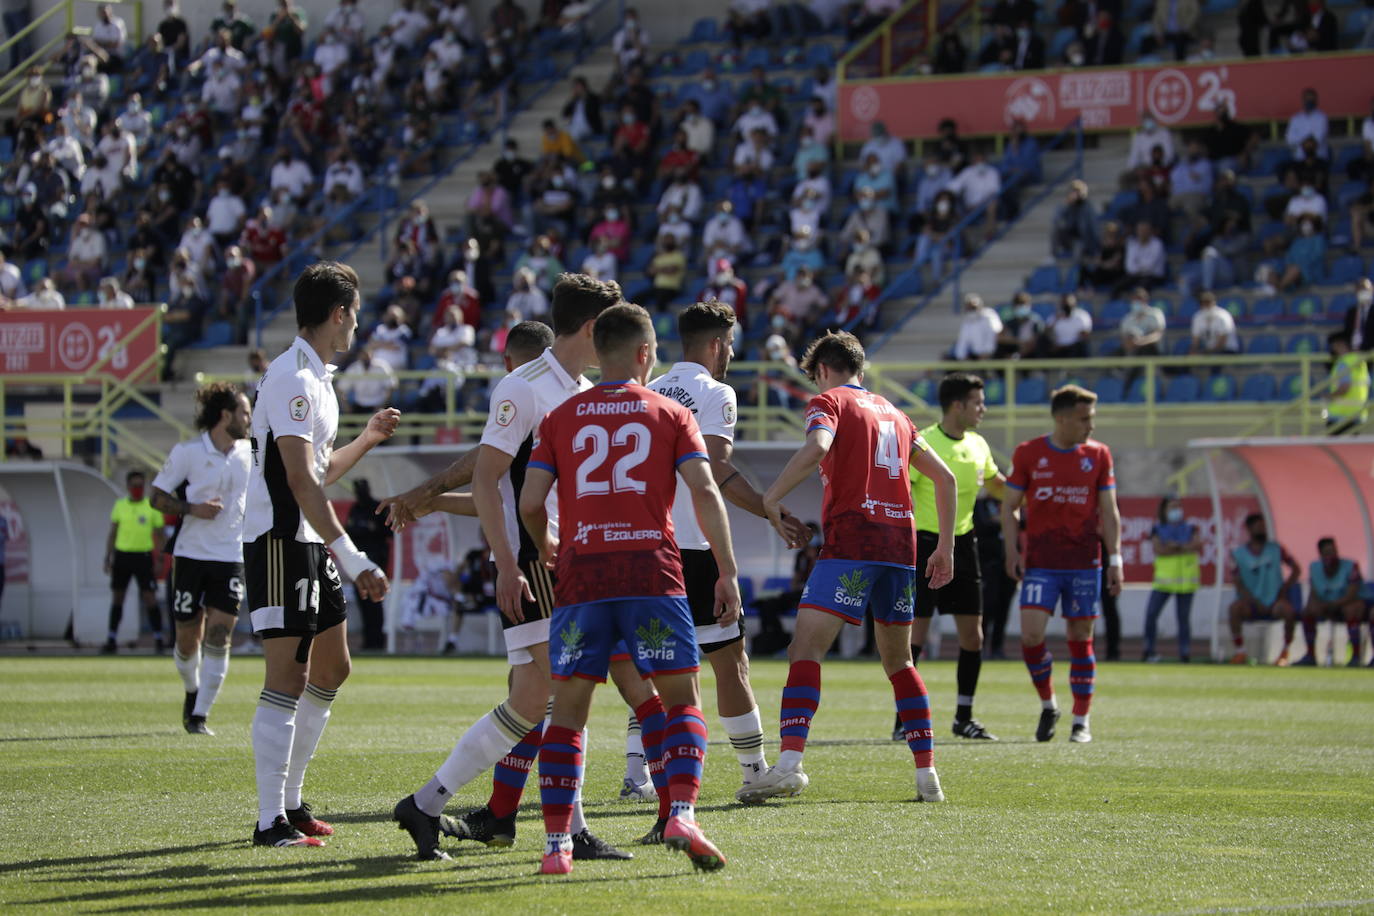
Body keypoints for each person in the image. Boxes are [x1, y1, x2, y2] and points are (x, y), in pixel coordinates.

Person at [390, 277, 640, 862]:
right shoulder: (524, 387)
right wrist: (508, 566)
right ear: (590, 330)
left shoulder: (577, 387)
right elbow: (486, 478)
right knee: (558, 694)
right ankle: (566, 831)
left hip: (563, 557)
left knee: (538, 700)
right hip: (536, 558)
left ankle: (426, 804)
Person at [519, 302, 738, 874]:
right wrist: (728, 570)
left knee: (567, 713)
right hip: (651, 572)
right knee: (682, 698)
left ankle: (556, 848)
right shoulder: (669, 414)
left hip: (583, 573)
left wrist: (547, 544)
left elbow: (529, 501)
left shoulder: (562, 417)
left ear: (599, 351)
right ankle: (682, 812)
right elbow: (705, 492)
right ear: (644, 354)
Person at [744, 331, 957, 805]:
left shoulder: (828, 402)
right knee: (899, 662)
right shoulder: (899, 416)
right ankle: (928, 777)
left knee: (805, 649)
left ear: (822, 369)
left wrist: (771, 496)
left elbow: (819, 447)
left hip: (852, 541)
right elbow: (944, 477)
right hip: (900, 547)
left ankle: (789, 765)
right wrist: (945, 546)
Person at [244, 262, 399, 848]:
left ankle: (290, 801)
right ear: (339, 314)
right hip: (282, 540)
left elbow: (316, 470)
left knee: (332, 669)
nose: (357, 325)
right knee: (289, 676)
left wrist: (366, 438)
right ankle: (269, 822)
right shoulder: (292, 378)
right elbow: (301, 484)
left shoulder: (316, 378)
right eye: (355, 314)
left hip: (308, 539)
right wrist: (354, 556)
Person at [646, 302, 811, 802]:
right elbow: (714, 468)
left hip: (647, 544)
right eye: (731, 344)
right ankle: (754, 770)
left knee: (654, 666)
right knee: (729, 661)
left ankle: (643, 776)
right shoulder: (716, 393)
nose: (732, 354)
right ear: (716, 345)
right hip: (694, 547)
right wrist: (769, 508)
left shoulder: (648, 390)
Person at [1001, 385, 1121, 744]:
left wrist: (1115, 559)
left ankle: (1081, 720)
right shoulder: (1028, 453)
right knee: (1030, 635)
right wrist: (1012, 551)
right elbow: (1009, 506)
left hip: (1085, 562)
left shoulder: (1099, 456)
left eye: (1092, 418)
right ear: (1062, 418)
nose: (1090, 426)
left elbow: (1109, 511)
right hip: (1041, 562)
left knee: (1080, 638)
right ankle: (1049, 703)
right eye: (1085, 419)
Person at [894, 373, 1006, 742]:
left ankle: (964, 717)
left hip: (964, 545)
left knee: (973, 637)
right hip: (925, 545)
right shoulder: (923, 442)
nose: (983, 409)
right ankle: (904, 718)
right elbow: (902, 491)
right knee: (918, 634)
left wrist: (1033, 491)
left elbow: (997, 486)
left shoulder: (978, 445)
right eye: (978, 402)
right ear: (958, 405)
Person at [150, 383, 252, 735]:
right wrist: (192, 508)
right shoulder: (188, 452)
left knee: (221, 633)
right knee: (186, 638)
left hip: (231, 556)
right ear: (225, 415)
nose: (249, 419)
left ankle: (199, 716)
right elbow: (156, 496)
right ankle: (192, 690)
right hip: (190, 556)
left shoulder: (251, 454)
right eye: (244, 413)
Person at [103, 471, 167, 654]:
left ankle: (158, 638)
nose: (137, 489)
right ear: (128, 487)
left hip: (144, 557)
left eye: (140, 485)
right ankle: (112, 637)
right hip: (122, 556)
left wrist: (161, 559)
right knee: (118, 597)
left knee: (150, 598)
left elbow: (160, 534)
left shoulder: (151, 507)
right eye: (134, 486)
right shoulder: (120, 506)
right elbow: (113, 532)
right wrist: (108, 556)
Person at [1227, 512, 1303, 665]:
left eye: (1263, 526)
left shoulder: (1276, 549)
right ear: (1249, 529)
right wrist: (1253, 600)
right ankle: (1240, 652)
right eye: (1258, 527)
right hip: (1251, 602)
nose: (1262, 530)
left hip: (1274, 601)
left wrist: (1284, 589)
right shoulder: (1238, 554)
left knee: (1288, 611)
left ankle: (1285, 652)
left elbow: (1296, 569)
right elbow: (1238, 583)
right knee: (1234, 609)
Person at [1142, 497, 1202, 663]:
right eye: (1172, 507)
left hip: (1186, 582)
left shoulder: (1190, 527)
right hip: (1164, 581)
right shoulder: (1158, 528)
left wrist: (1174, 546)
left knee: (1183, 619)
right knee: (1151, 615)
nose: (1176, 510)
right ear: (1164, 510)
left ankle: (1185, 653)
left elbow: (1196, 545)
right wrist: (1183, 547)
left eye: (1178, 507)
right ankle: (1149, 651)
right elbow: (1159, 550)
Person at [1296, 538, 1365, 666]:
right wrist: (1317, 606)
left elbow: (1352, 594)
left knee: (1351, 609)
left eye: (1333, 551)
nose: (1331, 555)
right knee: (1308, 611)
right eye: (1327, 552)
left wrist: (1333, 604)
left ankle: (1356, 656)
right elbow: (1314, 593)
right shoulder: (1314, 567)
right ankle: (1310, 655)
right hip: (1327, 605)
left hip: (1349, 604)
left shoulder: (1351, 566)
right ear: (1321, 554)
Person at [345, 480, 391, 651]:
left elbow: (388, 532)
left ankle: (377, 640)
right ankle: (368, 640)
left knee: (375, 601)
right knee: (363, 600)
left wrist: (371, 529)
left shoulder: (377, 507)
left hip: (376, 562)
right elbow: (348, 531)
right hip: (359, 563)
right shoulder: (356, 509)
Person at [1325, 331, 1368, 435]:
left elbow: (1345, 387)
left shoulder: (1343, 363)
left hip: (1340, 415)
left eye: (1333, 346)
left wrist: (1329, 396)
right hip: (1357, 415)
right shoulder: (1360, 362)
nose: (1332, 349)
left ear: (1340, 344)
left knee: (1333, 450)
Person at [951, 294, 1002, 361]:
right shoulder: (967, 323)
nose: (971, 310)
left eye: (973, 307)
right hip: (976, 356)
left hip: (993, 354)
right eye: (969, 308)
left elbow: (994, 335)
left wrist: (987, 353)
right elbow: (962, 342)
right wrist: (962, 357)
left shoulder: (989, 316)